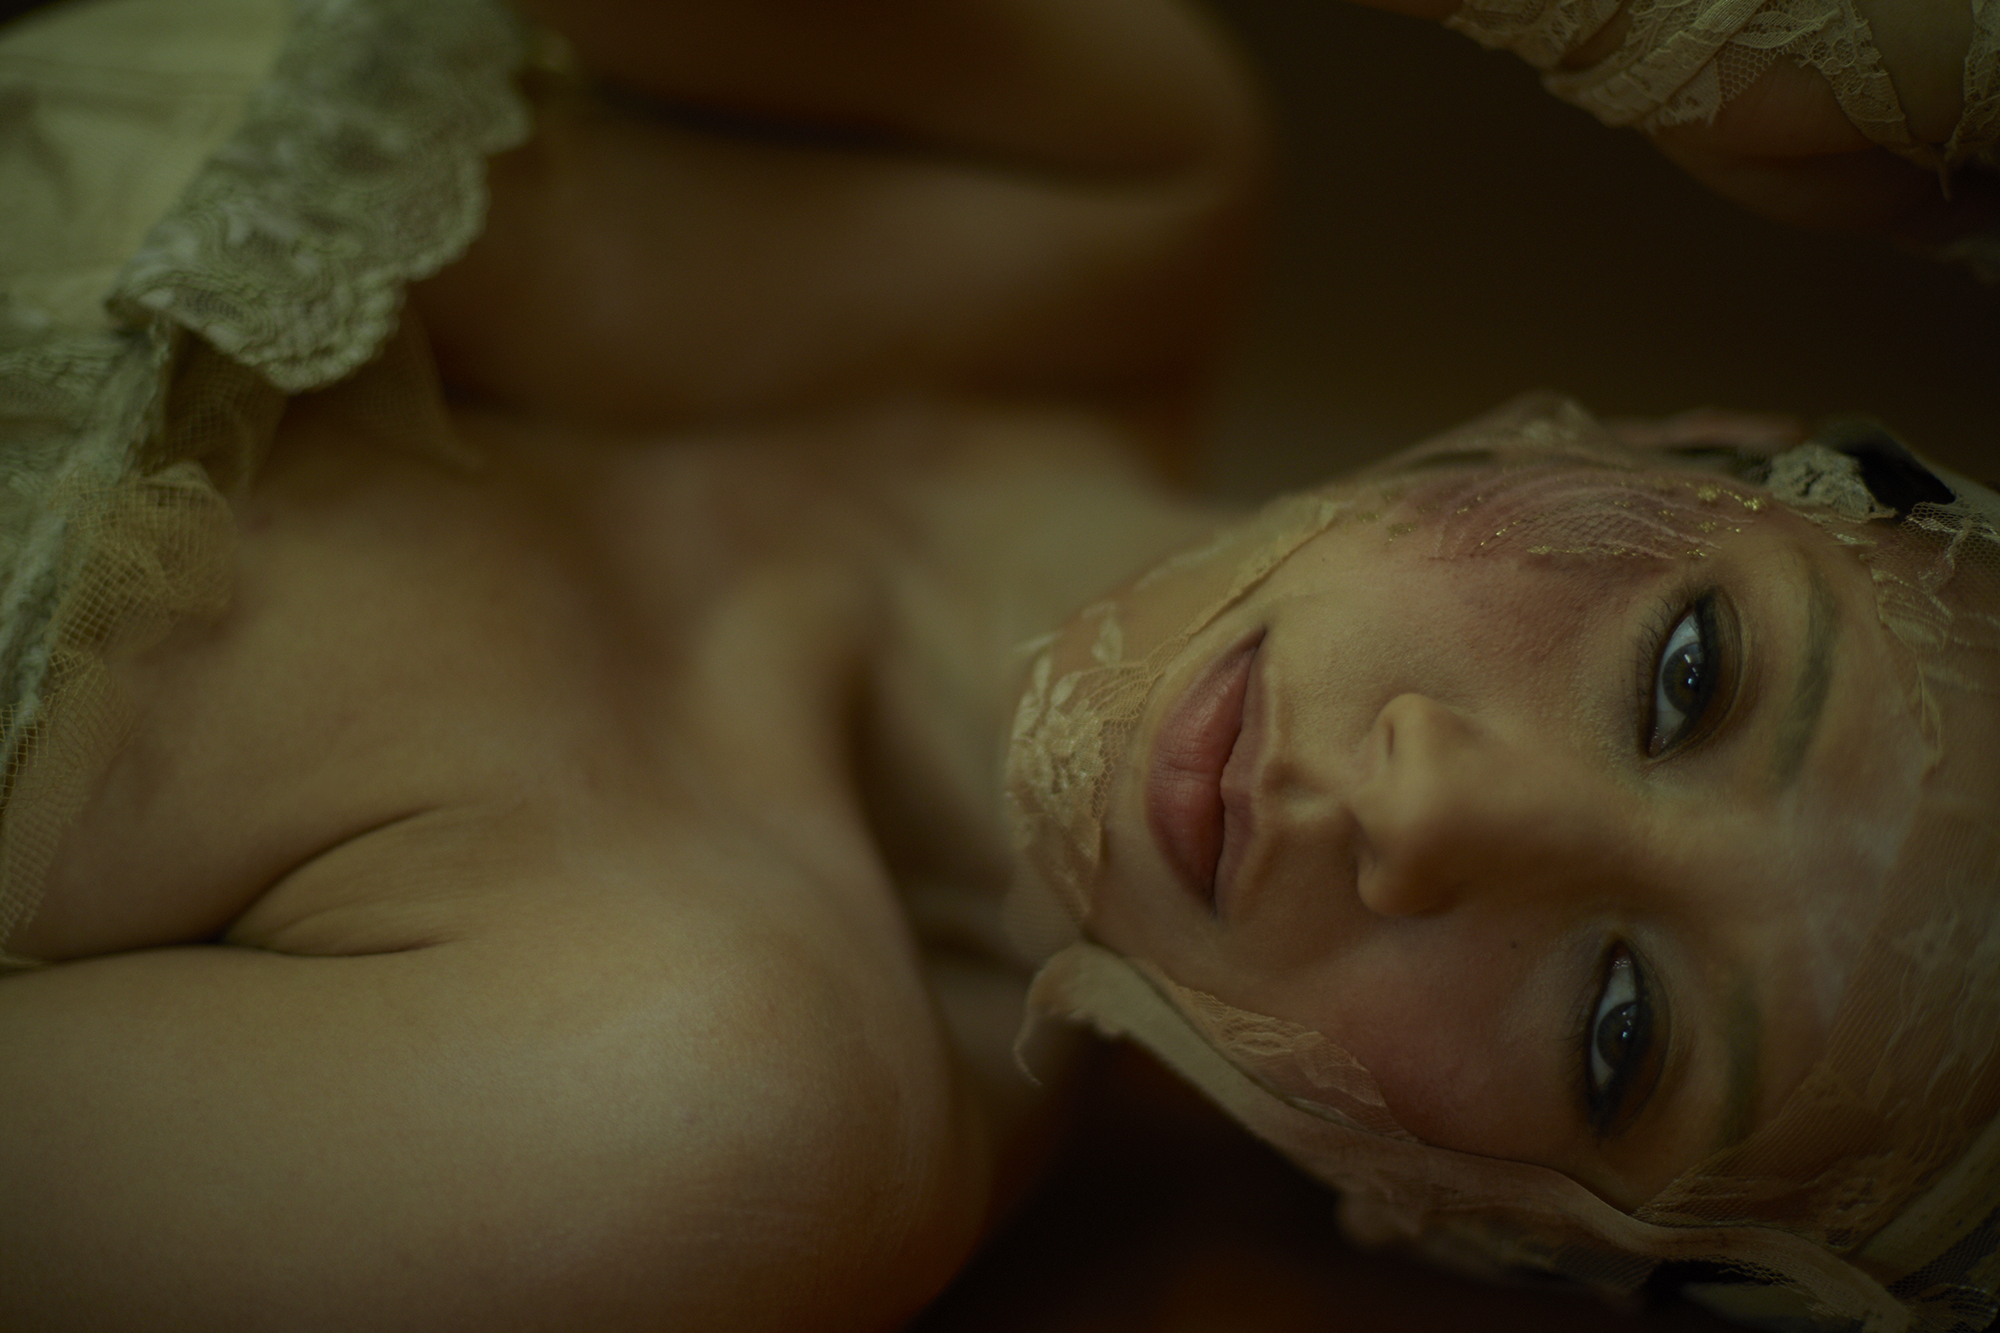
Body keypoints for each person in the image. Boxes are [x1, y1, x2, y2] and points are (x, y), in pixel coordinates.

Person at [0, 2, 1992, 1333]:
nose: (1426, 801)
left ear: (1498, 1233)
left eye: (1620, 1031)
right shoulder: (1104, 160)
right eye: (1687, 672)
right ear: (1685, 446)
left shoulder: (691, 1112)